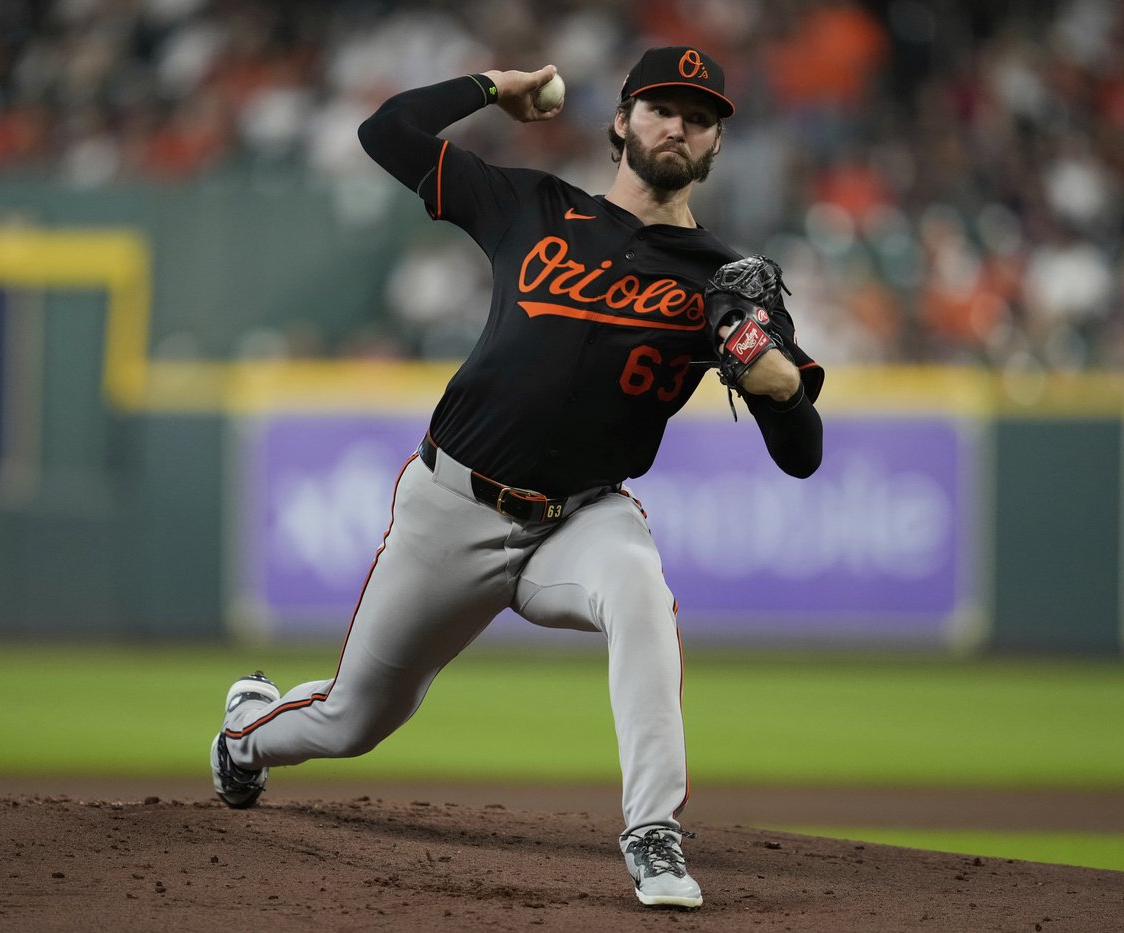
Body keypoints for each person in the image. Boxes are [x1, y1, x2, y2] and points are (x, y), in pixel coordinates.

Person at [211, 45, 824, 909]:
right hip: (452, 505)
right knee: (355, 719)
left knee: (641, 590)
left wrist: (775, 375)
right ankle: (246, 732)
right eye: (660, 106)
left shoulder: (725, 283)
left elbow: (801, 449)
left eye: (700, 115)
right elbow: (385, 131)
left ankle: (653, 832)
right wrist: (494, 88)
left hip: (582, 520)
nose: (678, 124)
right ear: (621, 121)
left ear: (718, 142)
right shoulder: (531, 205)